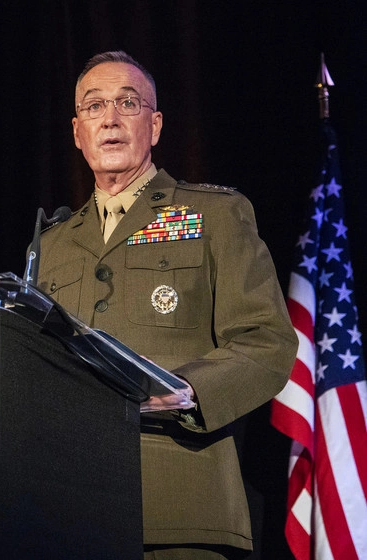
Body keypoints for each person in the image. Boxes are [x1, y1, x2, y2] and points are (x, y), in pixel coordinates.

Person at [37, 51, 297, 559]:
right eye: (93, 107)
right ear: (76, 132)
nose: (109, 119)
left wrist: (180, 393)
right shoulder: (51, 243)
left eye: (127, 104)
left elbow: (267, 341)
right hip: (65, 511)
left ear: (154, 125)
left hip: (180, 503)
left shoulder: (215, 214)